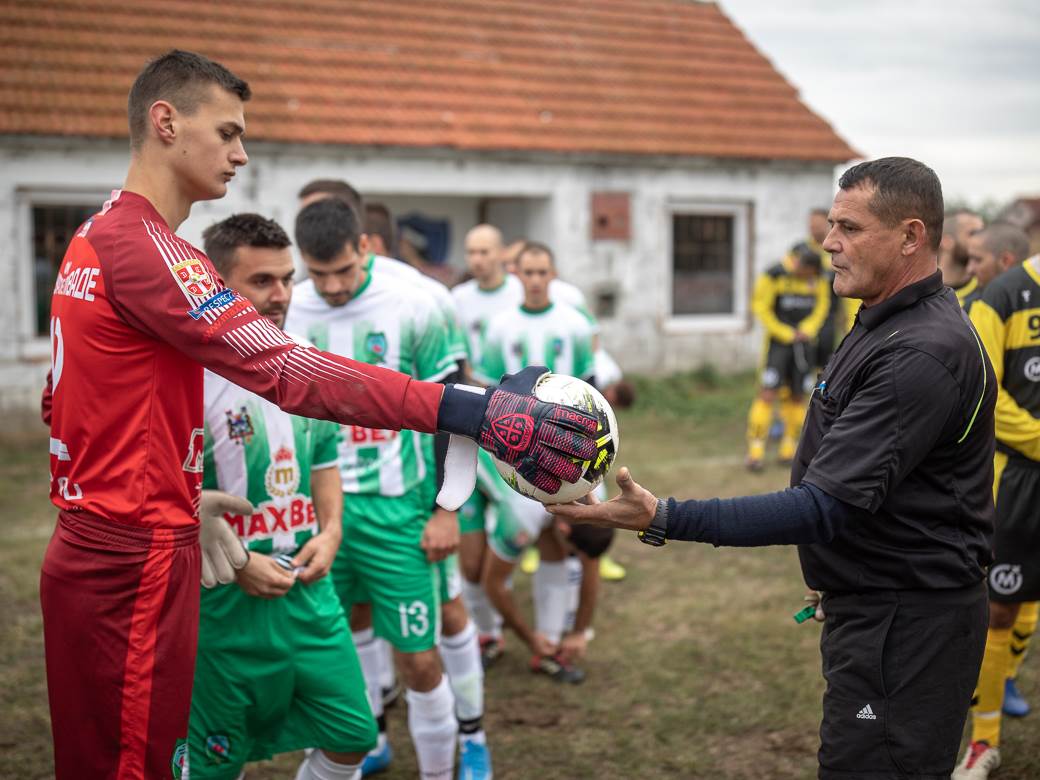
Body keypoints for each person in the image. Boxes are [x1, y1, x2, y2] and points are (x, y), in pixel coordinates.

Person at [38, 49, 597, 779]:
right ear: (166, 122)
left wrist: (178, 494)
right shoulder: (150, 250)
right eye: (229, 131)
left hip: (110, 543)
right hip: (130, 559)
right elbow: (288, 372)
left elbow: (61, 403)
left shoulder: (94, 237)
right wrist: (466, 406)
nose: (242, 154)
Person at [552, 157, 995, 779]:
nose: (828, 243)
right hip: (880, 605)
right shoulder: (884, 321)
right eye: (831, 225)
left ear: (911, 236)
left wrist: (663, 517)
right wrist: (842, 569)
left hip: (908, 624)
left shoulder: (919, 351)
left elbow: (823, 505)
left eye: (848, 227)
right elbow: (878, 491)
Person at [296, 182, 490, 779]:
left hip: (396, 510)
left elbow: (457, 410)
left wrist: (446, 508)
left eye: (343, 271)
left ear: (366, 245)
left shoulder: (417, 302)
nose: (331, 286)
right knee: (345, 638)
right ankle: (372, 737)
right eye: (318, 274)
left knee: (420, 657)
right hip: (319, 510)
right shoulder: (290, 307)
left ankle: (459, 752)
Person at [187, 213, 374, 780]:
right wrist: (240, 563)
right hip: (220, 599)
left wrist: (333, 530)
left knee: (354, 734)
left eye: (287, 279)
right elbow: (160, 491)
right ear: (216, 284)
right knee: (217, 760)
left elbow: (324, 461)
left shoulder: (303, 357)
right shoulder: (181, 374)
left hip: (306, 589)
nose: (282, 294)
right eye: (262, 281)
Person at [957, 228, 1039, 778]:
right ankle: (985, 741)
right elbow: (984, 387)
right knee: (1000, 608)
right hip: (1018, 482)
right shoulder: (1003, 295)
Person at [745, 242, 829, 471]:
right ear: (800, 265)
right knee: (767, 394)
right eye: (808, 273)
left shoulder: (818, 277)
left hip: (804, 345)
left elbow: (822, 306)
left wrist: (808, 329)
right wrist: (784, 333)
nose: (810, 278)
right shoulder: (773, 275)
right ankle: (755, 452)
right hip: (778, 345)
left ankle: (789, 449)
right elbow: (760, 307)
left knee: (798, 396)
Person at [940, 208, 985, 304]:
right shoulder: (919, 292)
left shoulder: (986, 293)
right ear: (946, 241)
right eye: (973, 234)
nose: (982, 241)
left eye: (982, 234)